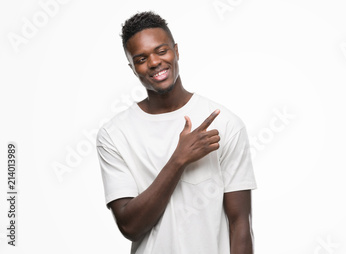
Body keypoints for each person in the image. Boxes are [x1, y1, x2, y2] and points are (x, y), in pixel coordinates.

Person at [96, 11, 257, 254]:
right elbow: (130, 226)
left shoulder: (225, 123)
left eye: (161, 51)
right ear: (132, 68)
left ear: (176, 51)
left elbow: (240, 223)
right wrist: (179, 160)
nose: (154, 62)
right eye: (141, 58)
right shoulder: (114, 135)